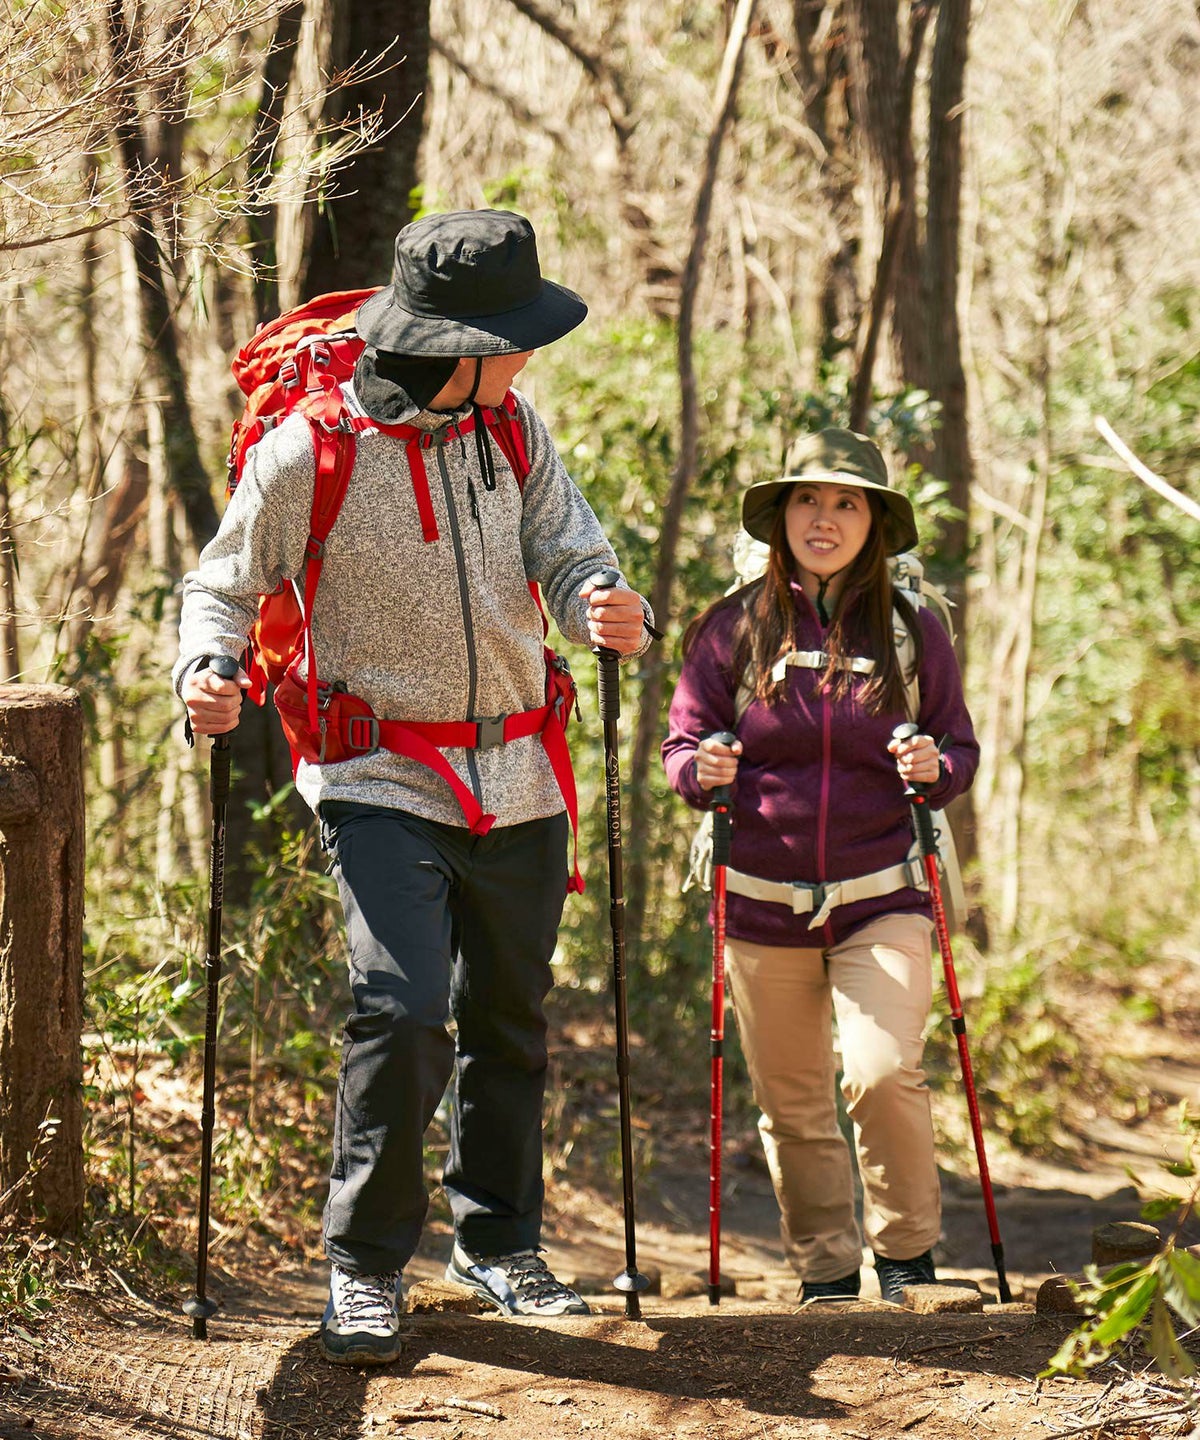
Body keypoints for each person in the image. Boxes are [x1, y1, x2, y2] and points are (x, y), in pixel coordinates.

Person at [175, 209, 654, 1364]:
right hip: (378, 771)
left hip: (522, 774)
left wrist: (606, 602)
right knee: (401, 1010)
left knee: (511, 1020)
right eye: (516, 336)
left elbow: (573, 550)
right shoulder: (312, 452)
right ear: (459, 347)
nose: (529, 354)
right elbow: (223, 586)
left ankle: (498, 1245)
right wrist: (207, 669)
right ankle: (364, 1271)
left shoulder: (514, 428)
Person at [662, 428, 979, 1305]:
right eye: (808, 500)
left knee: (881, 1072)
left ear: (876, 523)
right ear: (781, 516)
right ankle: (828, 1275)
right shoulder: (730, 627)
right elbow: (681, 748)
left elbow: (958, 748)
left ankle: (907, 1260)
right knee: (794, 1104)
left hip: (884, 896)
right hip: (760, 902)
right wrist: (701, 769)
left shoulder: (913, 631)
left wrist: (935, 768)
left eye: (846, 503)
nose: (824, 519)